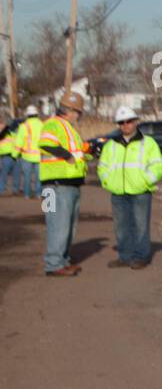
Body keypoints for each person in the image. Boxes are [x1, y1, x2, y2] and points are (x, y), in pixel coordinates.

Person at [97, 107, 162, 269]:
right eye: (121, 122)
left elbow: (159, 166)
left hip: (140, 191)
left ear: (135, 122)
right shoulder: (111, 145)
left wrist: (145, 181)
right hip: (118, 192)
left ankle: (141, 256)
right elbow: (102, 167)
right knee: (121, 226)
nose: (125, 125)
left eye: (128, 121)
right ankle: (125, 256)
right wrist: (107, 181)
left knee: (141, 225)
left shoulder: (148, 143)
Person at [39, 93, 90, 277]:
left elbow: (72, 151)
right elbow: (46, 144)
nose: (78, 116)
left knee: (59, 223)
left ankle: (61, 261)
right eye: (78, 112)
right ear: (70, 110)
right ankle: (54, 263)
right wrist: (68, 156)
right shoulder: (55, 124)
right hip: (58, 185)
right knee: (60, 224)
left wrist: (83, 155)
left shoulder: (66, 127)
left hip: (57, 184)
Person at [15, 105, 45, 198]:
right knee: (39, 177)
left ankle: (27, 195)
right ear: (37, 114)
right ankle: (38, 194)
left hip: (26, 155)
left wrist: (14, 154)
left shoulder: (23, 126)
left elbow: (19, 141)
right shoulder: (42, 125)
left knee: (27, 177)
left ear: (27, 115)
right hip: (39, 155)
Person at [0, 122, 18, 194]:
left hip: (15, 157)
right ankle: (1, 189)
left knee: (16, 174)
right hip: (5, 157)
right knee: (4, 174)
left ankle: (15, 190)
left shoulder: (13, 135)